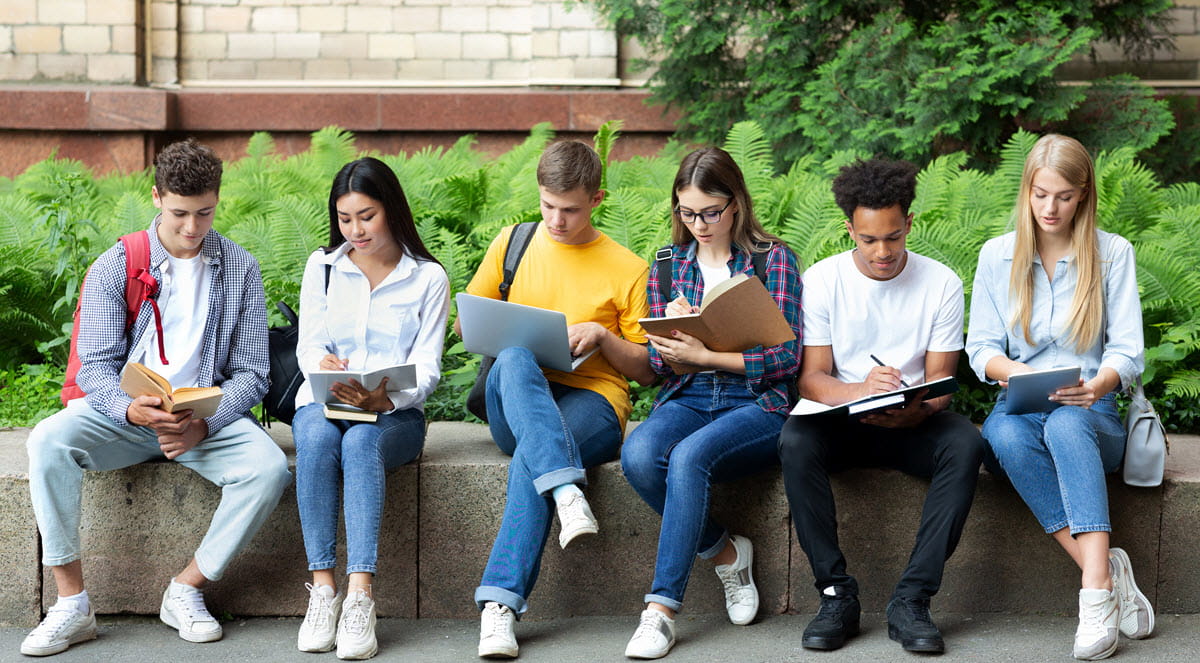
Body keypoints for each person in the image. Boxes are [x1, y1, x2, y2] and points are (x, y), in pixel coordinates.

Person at [22, 139, 291, 657]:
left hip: (202, 415)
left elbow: (254, 373)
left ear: (217, 201)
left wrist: (203, 425)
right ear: (156, 197)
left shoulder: (240, 268)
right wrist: (127, 408)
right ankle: (71, 603)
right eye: (180, 213)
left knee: (268, 469)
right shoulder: (115, 265)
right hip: (124, 416)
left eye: (205, 213)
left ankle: (187, 588)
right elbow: (97, 365)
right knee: (48, 441)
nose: (192, 228)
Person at [454, 140, 655, 659]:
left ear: (597, 199)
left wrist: (604, 338)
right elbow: (465, 325)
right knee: (517, 356)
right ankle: (568, 490)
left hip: (593, 401)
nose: (556, 220)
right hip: (515, 395)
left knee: (535, 455)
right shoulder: (514, 243)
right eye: (547, 205)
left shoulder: (627, 267)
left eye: (569, 209)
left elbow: (649, 372)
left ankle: (498, 608)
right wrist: (505, 332)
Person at [777, 159, 985, 655]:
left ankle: (912, 601)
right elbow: (811, 379)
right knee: (794, 439)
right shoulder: (824, 281)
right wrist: (862, 391)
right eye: (869, 239)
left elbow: (940, 382)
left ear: (909, 223)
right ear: (849, 228)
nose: (883, 252)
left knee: (966, 442)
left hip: (911, 423)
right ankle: (836, 597)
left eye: (893, 237)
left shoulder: (941, 283)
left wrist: (919, 409)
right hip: (844, 422)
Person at [965, 134, 1153, 660]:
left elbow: (1128, 350)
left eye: (1065, 196)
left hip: (1094, 410)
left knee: (1066, 424)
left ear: (1084, 195)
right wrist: (1016, 370)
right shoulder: (997, 256)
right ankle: (1105, 568)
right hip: (1019, 404)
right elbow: (979, 347)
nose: (1051, 208)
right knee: (1000, 431)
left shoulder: (1111, 253)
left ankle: (1094, 596)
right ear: (1026, 190)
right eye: (1041, 194)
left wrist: (1096, 386)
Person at [619, 147, 802, 659]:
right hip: (689, 393)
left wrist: (710, 352)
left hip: (757, 401)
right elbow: (660, 369)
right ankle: (726, 552)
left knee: (690, 456)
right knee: (638, 455)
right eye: (687, 212)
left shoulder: (772, 259)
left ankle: (659, 612)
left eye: (710, 212)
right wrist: (674, 344)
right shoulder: (666, 264)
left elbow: (787, 357)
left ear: (736, 204)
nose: (698, 224)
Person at [291, 157, 450, 659]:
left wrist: (384, 396)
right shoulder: (323, 268)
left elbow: (427, 367)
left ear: (392, 210)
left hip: (393, 416)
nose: (355, 230)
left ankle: (360, 594)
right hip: (327, 400)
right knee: (316, 437)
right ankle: (323, 589)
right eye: (344, 218)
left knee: (361, 440)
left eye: (367, 215)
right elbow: (306, 345)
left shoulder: (426, 278)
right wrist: (323, 362)